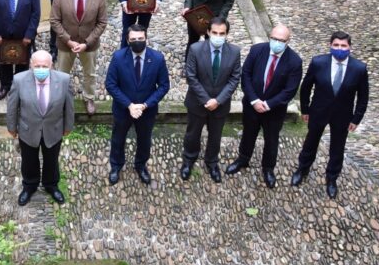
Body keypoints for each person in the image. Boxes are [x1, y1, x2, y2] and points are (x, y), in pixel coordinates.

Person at [290, 31, 369, 199]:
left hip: (343, 115)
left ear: (350, 47)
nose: (339, 48)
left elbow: (363, 96)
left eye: (343, 46)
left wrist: (357, 118)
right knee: (310, 142)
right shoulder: (318, 62)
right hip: (318, 112)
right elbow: (306, 87)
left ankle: (332, 178)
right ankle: (302, 169)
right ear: (330, 46)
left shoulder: (359, 68)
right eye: (336, 45)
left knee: (337, 148)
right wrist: (305, 109)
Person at [225, 24, 302, 188]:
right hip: (252, 105)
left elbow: (290, 90)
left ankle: (268, 168)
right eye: (274, 38)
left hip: (274, 111)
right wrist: (254, 100)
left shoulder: (295, 61)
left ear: (287, 41)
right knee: (248, 134)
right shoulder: (257, 50)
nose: (276, 42)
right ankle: (243, 159)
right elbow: (245, 75)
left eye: (281, 40)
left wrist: (268, 104)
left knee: (271, 140)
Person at [7, 50, 74, 206]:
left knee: (52, 160)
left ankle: (51, 185)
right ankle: (30, 186)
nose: (41, 69)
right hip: (28, 130)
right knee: (29, 161)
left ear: (51, 66)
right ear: (31, 65)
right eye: (37, 66)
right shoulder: (19, 80)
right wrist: (12, 127)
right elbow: (12, 106)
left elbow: (69, 106)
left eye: (45, 66)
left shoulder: (64, 80)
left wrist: (68, 126)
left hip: (54, 129)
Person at [105, 25, 170, 185]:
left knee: (144, 140)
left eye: (140, 39)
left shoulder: (157, 59)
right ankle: (116, 165)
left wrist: (145, 105)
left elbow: (163, 86)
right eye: (133, 39)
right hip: (123, 109)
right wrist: (129, 105)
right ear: (128, 40)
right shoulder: (118, 57)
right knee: (118, 139)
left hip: (146, 111)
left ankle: (141, 165)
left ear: (146, 38)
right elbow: (111, 84)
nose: (137, 42)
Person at [180, 17, 241, 183]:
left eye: (222, 33)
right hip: (197, 102)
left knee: (216, 136)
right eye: (214, 32)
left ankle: (212, 162)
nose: (218, 36)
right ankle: (189, 160)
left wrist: (218, 100)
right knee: (192, 134)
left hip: (220, 105)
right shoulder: (195, 49)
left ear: (227, 34)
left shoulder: (234, 52)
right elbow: (191, 77)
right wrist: (206, 99)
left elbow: (235, 79)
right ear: (208, 32)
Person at [50, 0, 107, 115]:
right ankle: (61, 98)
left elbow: (102, 22)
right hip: (65, 43)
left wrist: (87, 43)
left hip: (89, 44)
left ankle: (89, 97)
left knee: (90, 73)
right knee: (62, 73)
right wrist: (68, 40)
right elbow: (54, 20)